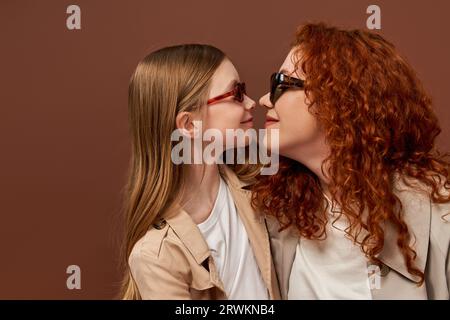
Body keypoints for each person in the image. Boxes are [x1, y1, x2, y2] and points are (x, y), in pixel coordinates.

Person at [252, 23, 450, 299]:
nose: (264, 100)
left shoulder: (440, 218)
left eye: (281, 84)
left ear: (337, 101)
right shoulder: (278, 213)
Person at [120, 44, 280, 299]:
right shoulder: (155, 255)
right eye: (236, 93)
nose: (251, 103)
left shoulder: (260, 189)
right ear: (189, 124)